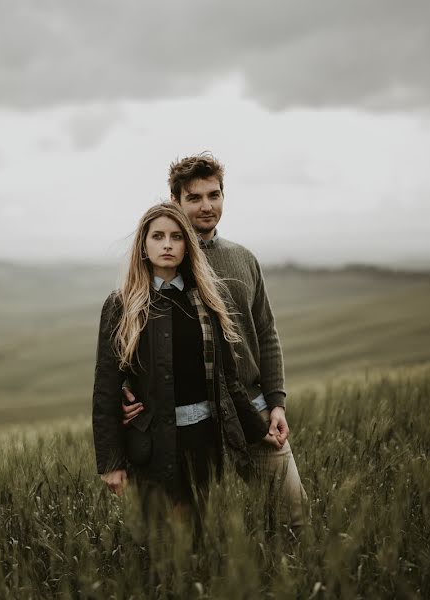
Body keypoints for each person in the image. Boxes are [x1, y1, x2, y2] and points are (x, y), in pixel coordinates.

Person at [122, 153, 310, 531]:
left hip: (250, 409)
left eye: (214, 195)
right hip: (191, 422)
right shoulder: (164, 262)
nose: (207, 206)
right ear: (174, 201)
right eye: (194, 198)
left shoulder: (243, 259)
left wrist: (276, 402)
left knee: (294, 515)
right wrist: (126, 388)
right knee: (188, 530)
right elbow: (131, 334)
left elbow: (267, 333)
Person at [92, 202, 281, 518]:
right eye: (158, 236)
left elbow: (229, 380)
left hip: (204, 443)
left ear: (187, 245)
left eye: (177, 237)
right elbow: (106, 388)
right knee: (165, 547)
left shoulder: (206, 300)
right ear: (144, 244)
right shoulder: (121, 306)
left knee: (202, 540)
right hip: (153, 447)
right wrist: (110, 463)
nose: (167, 244)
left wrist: (259, 430)